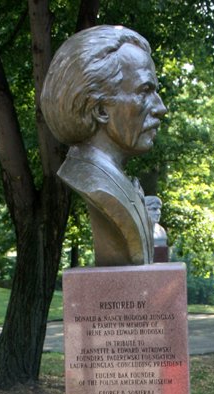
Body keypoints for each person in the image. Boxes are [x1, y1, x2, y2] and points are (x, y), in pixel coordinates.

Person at [41, 26, 166, 267]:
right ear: (100, 110)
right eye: (145, 91)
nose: (160, 108)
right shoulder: (97, 184)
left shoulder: (118, 183)